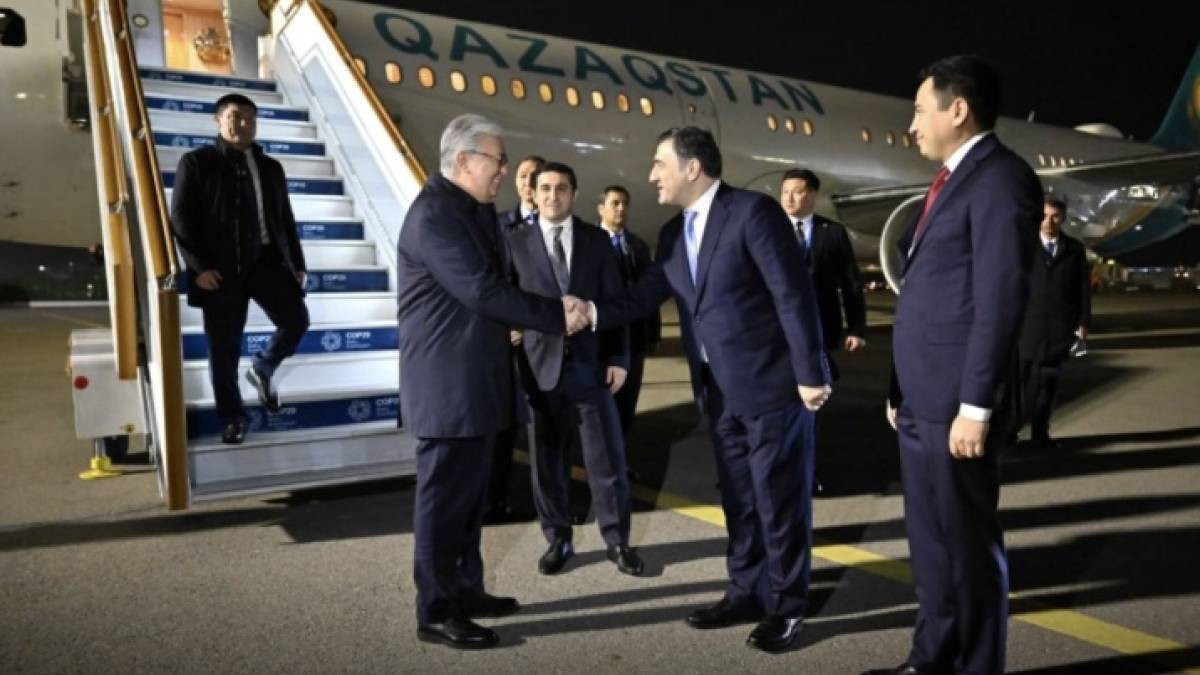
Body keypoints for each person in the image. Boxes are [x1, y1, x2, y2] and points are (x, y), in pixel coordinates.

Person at [577, 126, 830, 653]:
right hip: (717, 392)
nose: (652, 175)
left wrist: (811, 373)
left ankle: (788, 606)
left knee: (779, 501)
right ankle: (747, 591)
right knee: (739, 499)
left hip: (772, 385)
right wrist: (591, 312)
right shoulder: (674, 234)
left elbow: (793, 295)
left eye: (659, 163)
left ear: (691, 167)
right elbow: (643, 296)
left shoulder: (753, 213)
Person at [873, 55, 1041, 675]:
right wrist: (899, 388)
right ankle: (931, 660)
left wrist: (976, 406)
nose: (913, 123)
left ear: (958, 109)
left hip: (957, 407)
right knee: (930, 546)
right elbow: (928, 295)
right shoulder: (949, 181)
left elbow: (999, 302)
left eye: (921, 109)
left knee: (967, 549)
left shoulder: (1000, 179)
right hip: (922, 401)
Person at [395, 113, 587, 650]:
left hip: (477, 380)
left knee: (470, 500)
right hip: (448, 386)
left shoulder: (473, 211)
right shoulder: (435, 215)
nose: (505, 170)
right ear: (463, 161)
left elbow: (496, 286)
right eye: (497, 161)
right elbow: (481, 290)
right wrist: (556, 313)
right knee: (443, 505)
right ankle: (436, 610)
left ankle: (466, 590)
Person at [507, 162, 642, 577]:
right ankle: (558, 539)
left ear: (574, 194)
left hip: (591, 367)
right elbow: (503, 297)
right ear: (533, 193)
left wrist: (619, 359)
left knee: (607, 460)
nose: (553, 195)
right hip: (538, 368)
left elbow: (617, 302)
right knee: (548, 462)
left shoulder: (596, 241)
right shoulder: (514, 241)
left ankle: (617, 541)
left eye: (561, 188)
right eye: (545, 188)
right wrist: (512, 327)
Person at [169, 92, 309, 444]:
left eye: (249, 117)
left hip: (267, 261)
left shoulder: (271, 167)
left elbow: (285, 219)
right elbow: (181, 219)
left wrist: (296, 263)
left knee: (296, 320)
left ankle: (263, 366)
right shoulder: (196, 162)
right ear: (218, 120)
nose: (243, 124)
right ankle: (232, 417)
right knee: (224, 348)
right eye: (234, 116)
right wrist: (198, 267)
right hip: (219, 271)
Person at [780, 168, 866, 494]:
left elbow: (850, 283)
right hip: (777, 335)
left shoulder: (833, 233)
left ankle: (806, 472)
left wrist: (856, 327)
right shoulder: (769, 230)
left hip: (819, 334)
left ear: (812, 195)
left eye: (797, 191)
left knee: (811, 409)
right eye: (785, 192)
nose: (789, 198)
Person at [487, 154, 547, 522]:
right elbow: (493, 283)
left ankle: (550, 505)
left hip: (545, 340)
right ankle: (496, 498)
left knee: (547, 429)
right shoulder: (498, 225)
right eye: (524, 176)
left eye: (536, 176)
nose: (529, 182)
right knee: (503, 427)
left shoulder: (557, 225)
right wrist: (511, 324)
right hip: (508, 341)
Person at [1018, 197, 1091, 450]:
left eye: (1055, 216)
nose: (1049, 221)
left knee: (1048, 388)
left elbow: (1083, 289)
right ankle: (1009, 433)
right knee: (1019, 387)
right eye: (1045, 216)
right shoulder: (1024, 246)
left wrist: (1083, 322)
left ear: (1063, 219)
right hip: (1026, 328)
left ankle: (1040, 435)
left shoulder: (1074, 249)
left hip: (1058, 330)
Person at [597, 185, 661, 452]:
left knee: (627, 404)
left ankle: (620, 458)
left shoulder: (638, 246)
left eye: (625, 203)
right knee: (603, 406)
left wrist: (653, 332)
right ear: (601, 208)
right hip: (603, 340)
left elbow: (649, 294)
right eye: (615, 203)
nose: (621, 209)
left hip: (634, 339)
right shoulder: (590, 243)